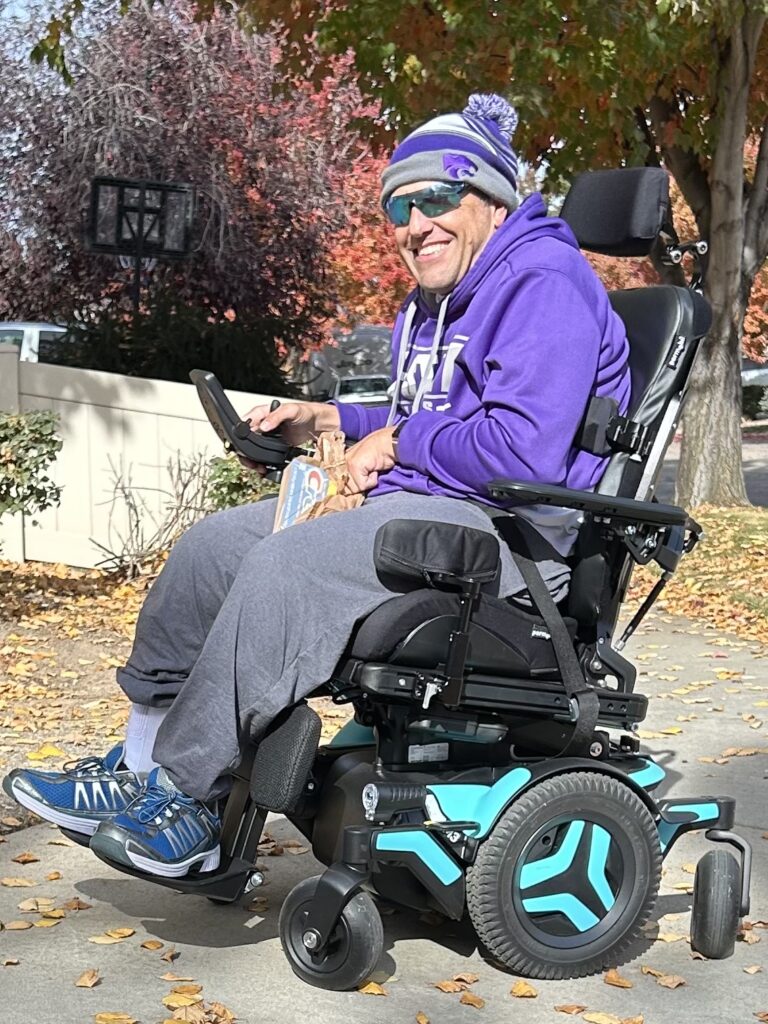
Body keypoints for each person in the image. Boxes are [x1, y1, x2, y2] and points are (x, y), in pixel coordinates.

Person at [3, 93, 630, 879]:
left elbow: (523, 455)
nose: (415, 224)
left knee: (286, 565)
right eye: (399, 207)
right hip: (425, 508)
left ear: (492, 201)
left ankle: (188, 797)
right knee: (210, 550)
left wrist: (395, 441)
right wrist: (326, 417)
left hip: (510, 541)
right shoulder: (436, 301)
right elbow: (424, 412)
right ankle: (138, 767)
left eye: (437, 198)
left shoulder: (544, 283)